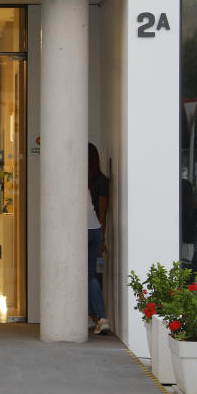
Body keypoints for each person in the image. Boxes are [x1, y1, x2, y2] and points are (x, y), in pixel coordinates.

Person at [88, 143, 110, 335]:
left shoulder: (87, 182)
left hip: (86, 232)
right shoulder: (101, 181)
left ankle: (101, 317)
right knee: (88, 274)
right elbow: (102, 215)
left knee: (89, 275)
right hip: (94, 232)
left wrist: (102, 240)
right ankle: (92, 316)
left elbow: (102, 214)